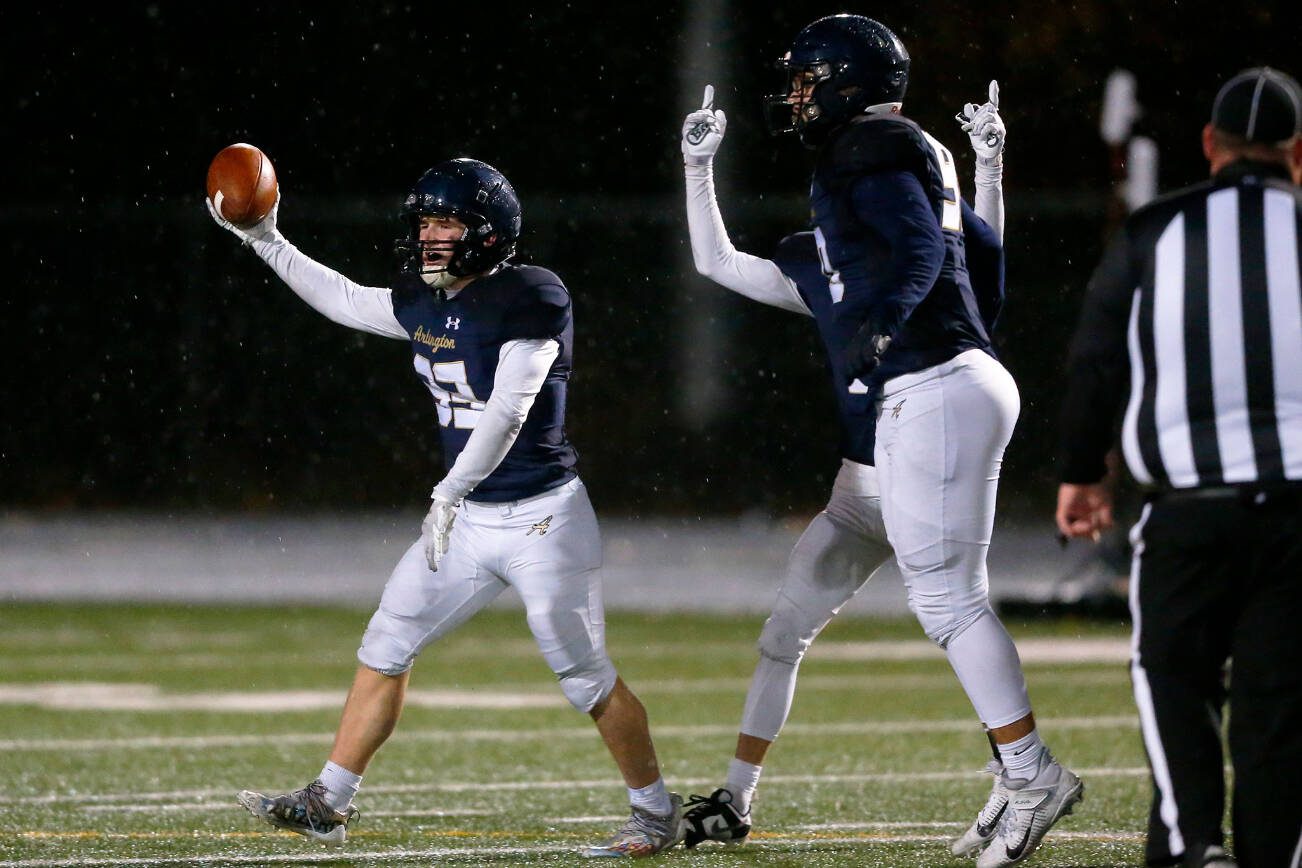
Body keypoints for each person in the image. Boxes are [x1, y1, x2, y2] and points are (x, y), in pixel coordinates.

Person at [679, 15, 1086, 867]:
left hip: (929, 397)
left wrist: (888, 318)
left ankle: (1029, 770)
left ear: (843, 83)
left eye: (805, 80)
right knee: (824, 617)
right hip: (898, 441)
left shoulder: (870, 157)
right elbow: (979, 271)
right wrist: (697, 168)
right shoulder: (854, 219)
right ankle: (742, 794)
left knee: (948, 602)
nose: (793, 98)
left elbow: (923, 257)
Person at [207, 157, 685, 858]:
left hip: (541, 518)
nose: (431, 235)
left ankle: (655, 814)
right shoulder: (426, 301)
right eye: (426, 220)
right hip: (464, 520)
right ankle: (328, 801)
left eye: (448, 221)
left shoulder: (533, 295)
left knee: (584, 676)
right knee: (386, 642)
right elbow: (346, 299)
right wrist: (266, 240)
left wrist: (448, 490)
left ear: (489, 232)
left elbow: (511, 410)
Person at [1057, 67, 1302, 868]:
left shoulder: (1155, 231)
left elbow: (1095, 358)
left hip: (1189, 512)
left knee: (1174, 680)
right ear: (1296, 152)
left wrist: (1082, 471)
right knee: (1277, 710)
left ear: (1209, 144)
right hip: (1300, 516)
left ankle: (1196, 842)